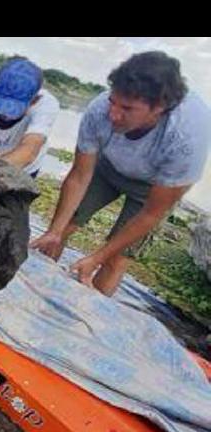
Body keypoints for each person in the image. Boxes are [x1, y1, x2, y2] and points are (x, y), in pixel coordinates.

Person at [30, 51, 211, 296]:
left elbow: (152, 213)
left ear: (159, 107)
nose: (114, 114)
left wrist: (97, 257)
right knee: (62, 229)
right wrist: (54, 230)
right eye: (113, 102)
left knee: (116, 258)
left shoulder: (187, 137)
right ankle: (37, 291)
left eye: (127, 108)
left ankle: (87, 318)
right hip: (108, 167)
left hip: (152, 188)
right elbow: (80, 175)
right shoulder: (98, 110)